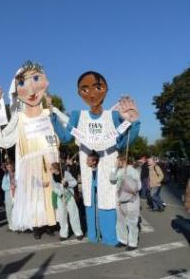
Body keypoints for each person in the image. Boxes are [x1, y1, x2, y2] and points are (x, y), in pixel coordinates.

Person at [49, 71, 140, 246]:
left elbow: (122, 143)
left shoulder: (113, 116)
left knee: (108, 201)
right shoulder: (77, 115)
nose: (91, 93)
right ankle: (93, 234)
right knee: (90, 201)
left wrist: (133, 122)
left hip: (108, 167)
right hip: (87, 167)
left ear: (105, 90)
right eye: (84, 89)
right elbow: (67, 137)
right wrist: (52, 117)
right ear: (79, 93)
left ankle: (111, 237)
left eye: (97, 87)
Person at [0, 61, 58, 240]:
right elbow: (7, 133)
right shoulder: (19, 111)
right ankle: (36, 226)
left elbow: (57, 129)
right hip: (29, 160)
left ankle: (51, 222)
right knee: (33, 194)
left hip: (48, 159)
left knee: (50, 192)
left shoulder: (46, 108)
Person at [110, 155, 141, 251]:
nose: (116, 162)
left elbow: (139, 186)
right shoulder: (118, 170)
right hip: (120, 200)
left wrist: (126, 182)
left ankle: (132, 243)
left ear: (123, 161)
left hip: (131, 200)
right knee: (120, 220)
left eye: (118, 161)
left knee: (132, 221)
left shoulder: (132, 170)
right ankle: (122, 240)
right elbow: (112, 179)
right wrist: (114, 168)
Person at [50, 162, 83, 241]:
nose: (50, 170)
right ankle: (63, 234)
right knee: (62, 216)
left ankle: (78, 232)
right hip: (60, 197)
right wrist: (60, 194)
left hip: (69, 196)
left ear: (56, 169)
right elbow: (54, 188)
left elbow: (74, 182)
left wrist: (67, 183)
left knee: (74, 214)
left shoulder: (66, 174)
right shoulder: (52, 177)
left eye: (51, 168)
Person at [1, 161, 16, 230]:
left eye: (10, 166)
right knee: (9, 211)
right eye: (7, 167)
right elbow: (3, 186)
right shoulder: (6, 175)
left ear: (13, 166)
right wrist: (10, 187)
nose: (9, 168)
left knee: (16, 210)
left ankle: (16, 224)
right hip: (9, 195)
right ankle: (11, 225)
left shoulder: (17, 173)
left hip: (16, 195)